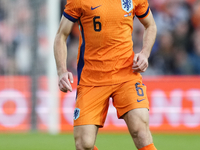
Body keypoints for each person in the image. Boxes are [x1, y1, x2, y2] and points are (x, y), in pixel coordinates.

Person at [54, 0, 157, 150]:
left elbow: (151, 25)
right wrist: (61, 71)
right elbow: (61, 36)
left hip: (126, 75)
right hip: (91, 79)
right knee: (83, 144)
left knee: (140, 130)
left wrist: (145, 53)